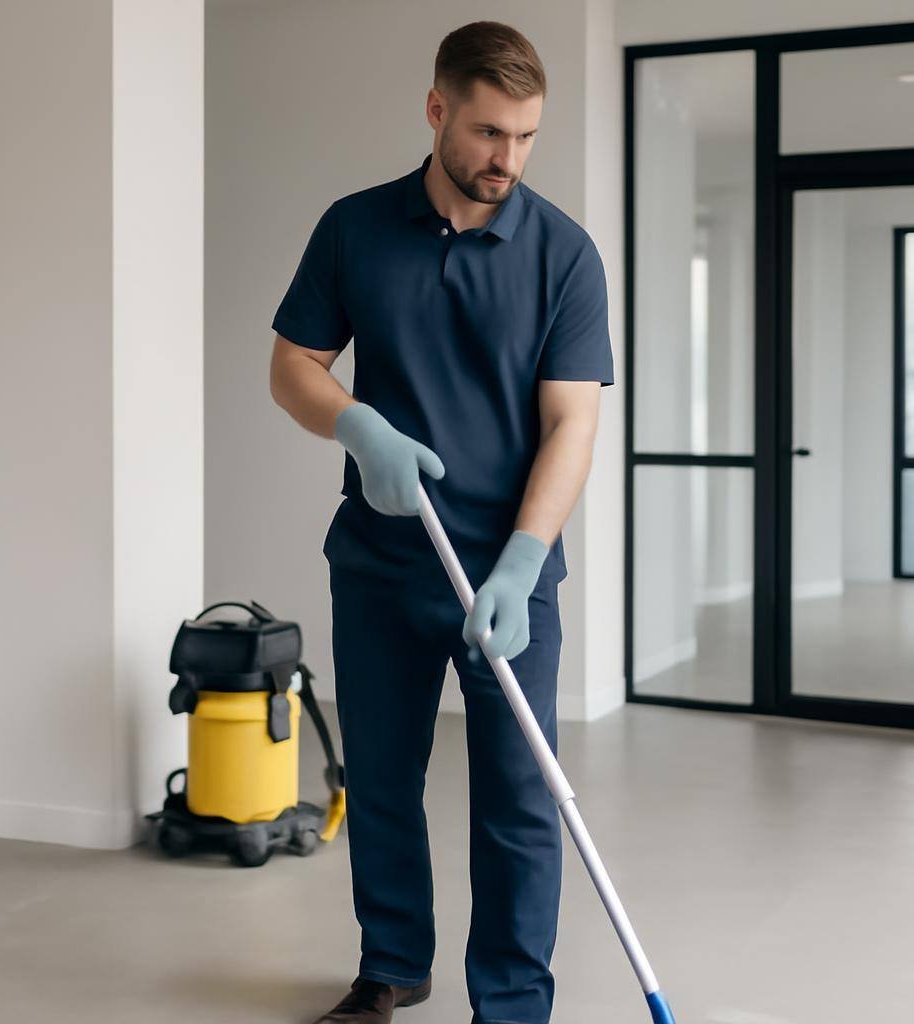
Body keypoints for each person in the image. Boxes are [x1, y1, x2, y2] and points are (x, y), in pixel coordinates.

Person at [269, 20, 613, 1024]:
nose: (507, 158)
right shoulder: (355, 228)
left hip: (508, 574)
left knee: (518, 794)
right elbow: (292, 366)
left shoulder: (563, 255)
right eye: (488, 132)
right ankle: (391, 966)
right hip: (382, 562)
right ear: (436, 110)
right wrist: (355, 422)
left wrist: (523, 559)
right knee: (381, 778)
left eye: (526, 137)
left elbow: (572, 422)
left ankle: (511, 1002)